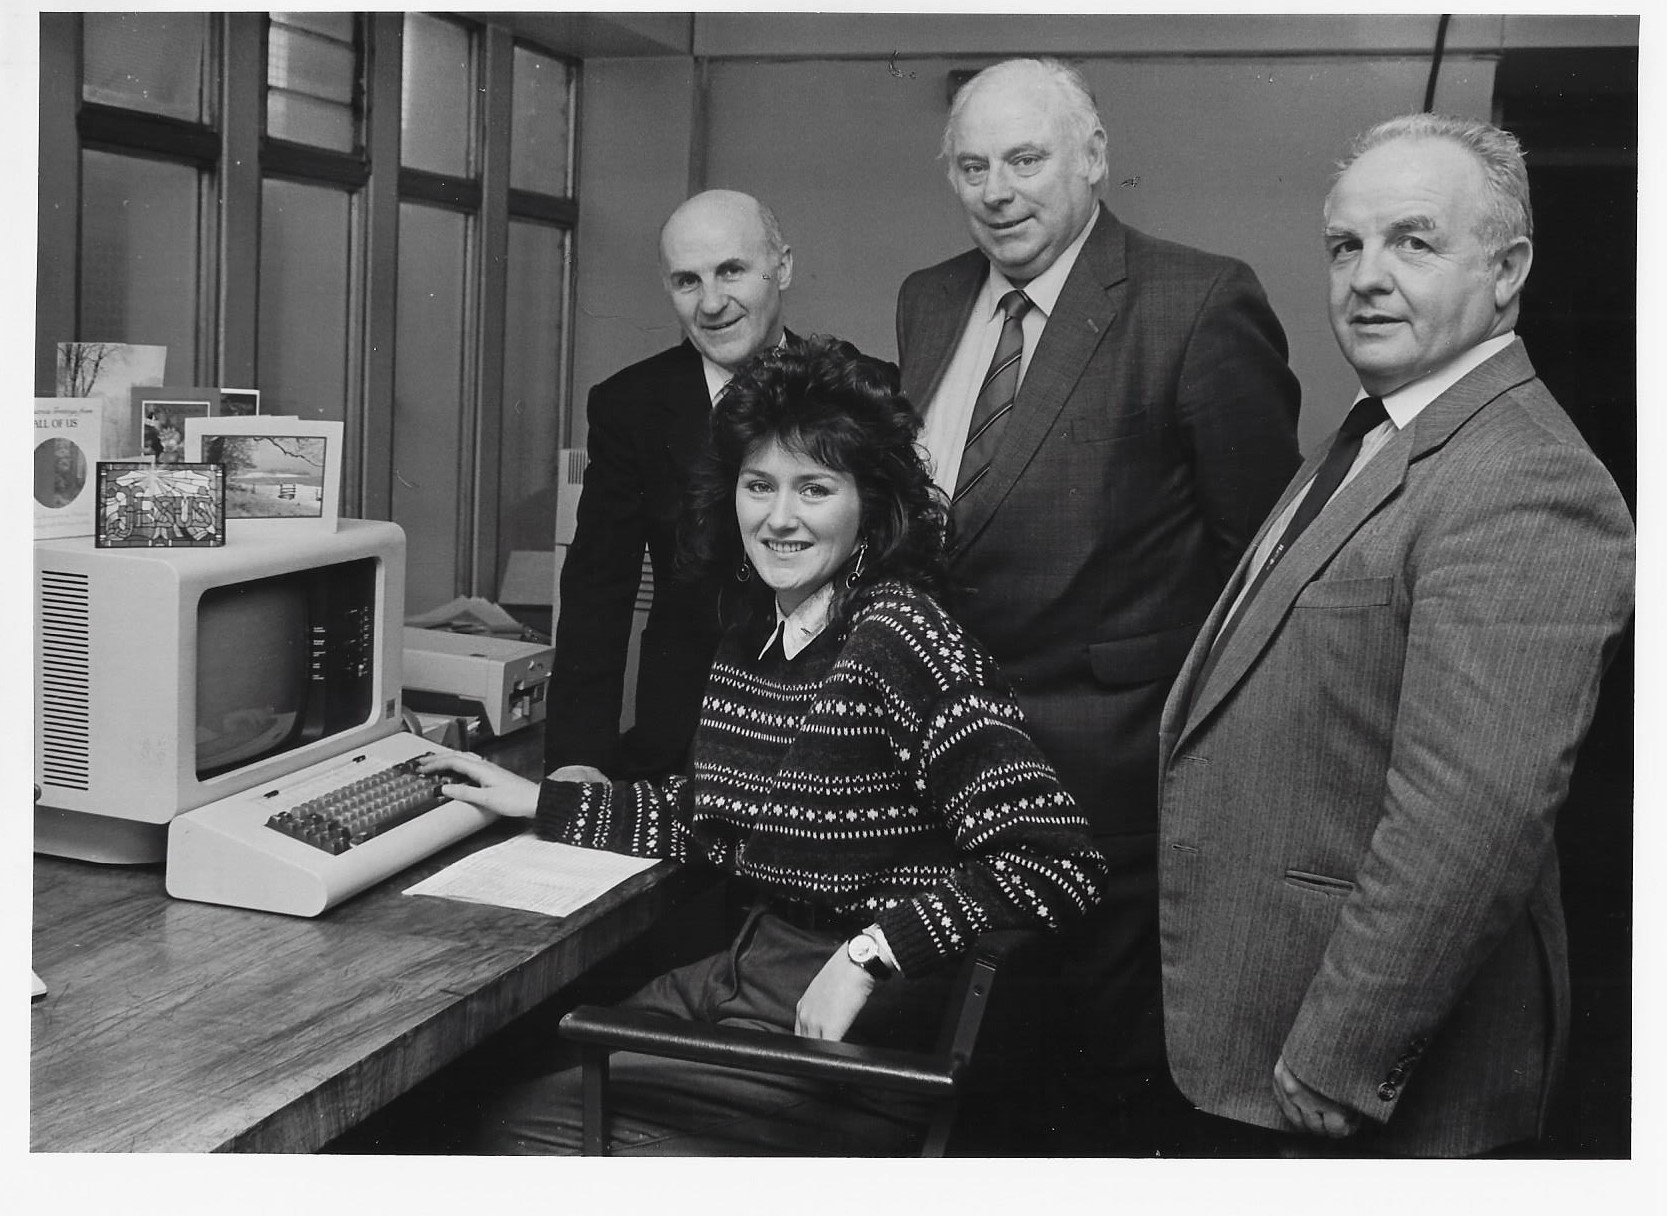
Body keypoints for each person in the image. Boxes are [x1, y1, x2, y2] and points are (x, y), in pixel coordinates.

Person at [421, 336, 1108, 1154]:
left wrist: (870, 954)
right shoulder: (761, 631)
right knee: (487, 1067)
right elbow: (718, 816)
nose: (779, 518)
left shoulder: (897, 634)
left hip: (852, 1021)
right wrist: (542, 802)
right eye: (759, 486)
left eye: (813, 488)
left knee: (497, 1130)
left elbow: (1056, 864)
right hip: (750, 971)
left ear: (870, 503)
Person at [1156, 113, 1634, 1157]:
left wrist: (1342, 1049)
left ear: (1506, 270)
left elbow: (1468, 819)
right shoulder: (1377, 431)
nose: (1365, 277)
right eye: (1344, 245)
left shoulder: (1524, 477)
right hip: (1259, 1036)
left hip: (1350, 1077)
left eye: (1411, 241)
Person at [894, 56, 1302, 1147]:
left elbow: (1264, 568)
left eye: (1023, 159)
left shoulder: (1195, 299)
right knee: (960, 1076)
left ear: (1094, 158)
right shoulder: (929, 298)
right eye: (970, 165)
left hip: (1105, 781)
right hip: (938, 778)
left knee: (1093, 1098)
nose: (994, 189)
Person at [545, 189, 797, 784]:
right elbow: (598, 590)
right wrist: (578, 758)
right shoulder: (629, 406)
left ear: (782, 266)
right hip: (681, 737)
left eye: (731, 271)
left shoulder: (859, 386)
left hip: (820, 731)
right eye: (688, 281)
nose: (712, 303)